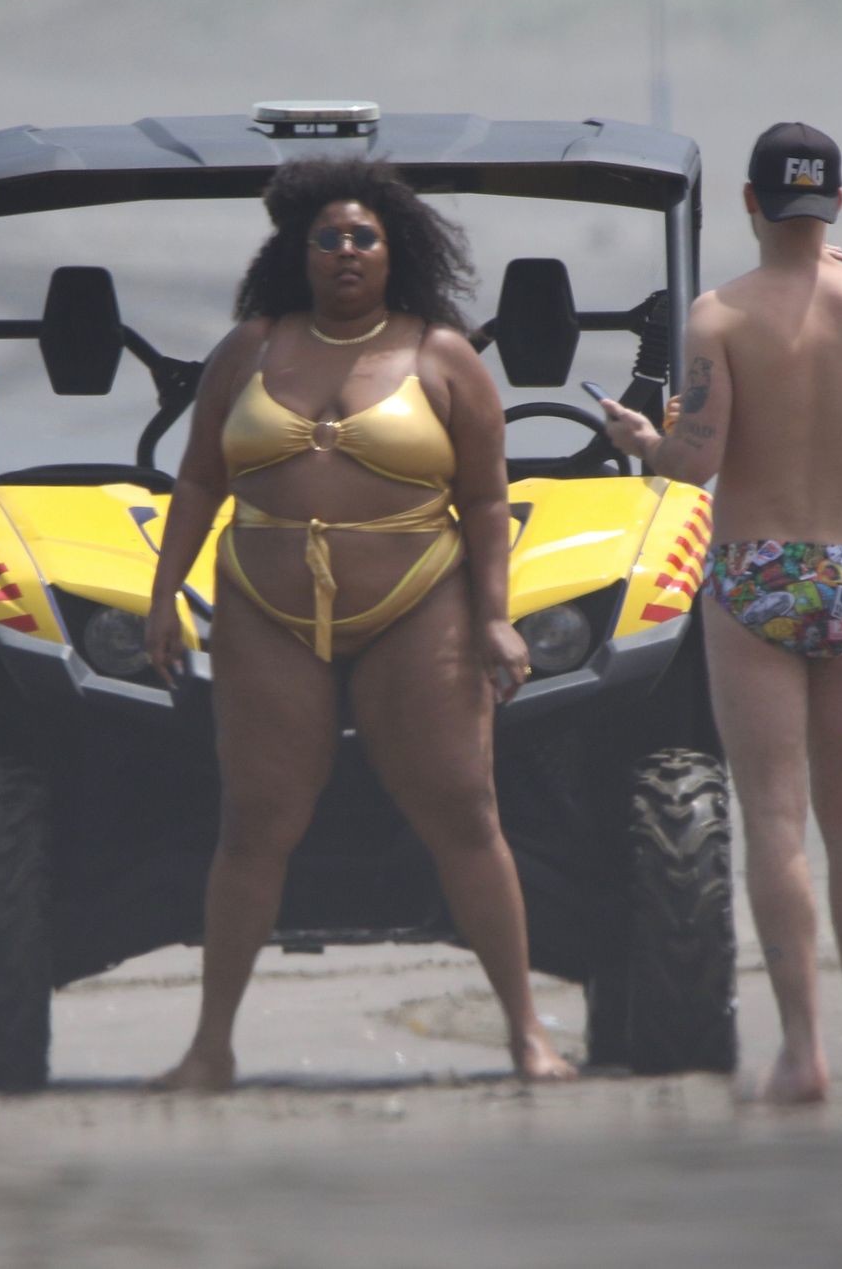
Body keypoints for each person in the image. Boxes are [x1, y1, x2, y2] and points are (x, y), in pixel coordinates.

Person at [143, 158, 576, 1090]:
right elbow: (198, 479)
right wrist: (162, 596)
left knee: (464, 811)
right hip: (265, 606)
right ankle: (210, 1046)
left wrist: (496, 619)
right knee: (254, 823)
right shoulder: (249, 349)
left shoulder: (443, 355)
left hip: (417, 600)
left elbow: (486, 500)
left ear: (394, 252)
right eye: (329, 238)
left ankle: (526, 1034)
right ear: (298, 253)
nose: (346, 251)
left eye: (363, 238)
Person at [601, 123, 842, 1104]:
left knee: (775, 817)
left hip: (756, 569)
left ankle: (802, 1051)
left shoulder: (720, 314)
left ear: (748, 201)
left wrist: (641, 439)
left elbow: (695, 463)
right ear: (836, 206)